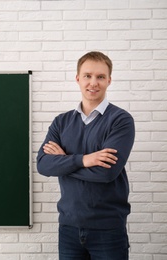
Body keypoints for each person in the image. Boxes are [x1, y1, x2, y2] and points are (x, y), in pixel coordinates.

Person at [36, 51, 135, 260]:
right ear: (77, 78)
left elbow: (106, 173)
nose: (93, 83)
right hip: (69, 228)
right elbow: (44, 165)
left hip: (107, 229)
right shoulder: (61, 122)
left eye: (100, 77)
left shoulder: (121, 120)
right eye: (88, 75)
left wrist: (64, 160)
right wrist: (84, 159)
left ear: (109, 80)